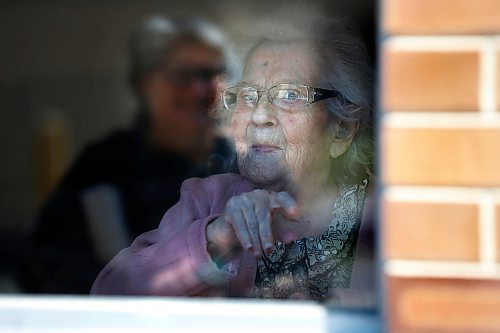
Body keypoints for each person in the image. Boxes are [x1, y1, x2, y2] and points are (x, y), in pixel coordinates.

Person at [91, 16, 374, 300]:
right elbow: (108, 295)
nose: (259, 116)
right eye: (248, 96)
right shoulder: (207, 201)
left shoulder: (384, 214)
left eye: (290, 94)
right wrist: (215, 239)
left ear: (342, 129)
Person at [22, 16, 235, 294]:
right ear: (144, 84)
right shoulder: (105, 165)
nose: (198, 89)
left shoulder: (240, 161)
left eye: (209, 74)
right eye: (181, 75)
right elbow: (47, 267)